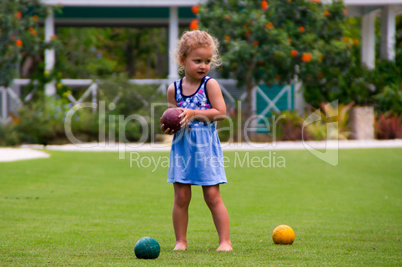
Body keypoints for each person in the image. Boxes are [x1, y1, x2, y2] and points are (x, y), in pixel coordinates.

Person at [160, 30, 232, 251]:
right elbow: (176, 118)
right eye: (197, 60)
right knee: (181, 196)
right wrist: (170, 127)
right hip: (183, 148)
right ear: (182, 60)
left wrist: (192, 112)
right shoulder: (174, 89)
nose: (203, 65)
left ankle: (225, 242)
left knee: (212, 195)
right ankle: (181, 241)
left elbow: (221, 112)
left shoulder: (209, 85)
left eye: (208, 61)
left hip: (206, 149)